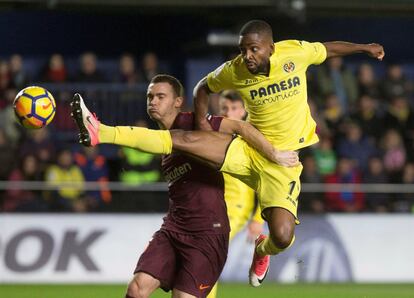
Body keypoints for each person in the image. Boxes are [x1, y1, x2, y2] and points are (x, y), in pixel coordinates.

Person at [73, 19, 384, 287]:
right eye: (242, 49)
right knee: (182, 139)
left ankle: (262, 251)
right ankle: (102, 132)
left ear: (271, 47)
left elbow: (327, 49)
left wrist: (364, 48)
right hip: (249, 150)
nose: (247, 56)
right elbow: (201, 89)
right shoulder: (234, 71)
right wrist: (201, 130)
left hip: (283, 162)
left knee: (283, 235)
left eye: (253, 49)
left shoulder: (295, 53)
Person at [72, 74, 297, 298]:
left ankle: (100, 131)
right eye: (150, 96)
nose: (153, 101)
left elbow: (240, 127)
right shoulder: (161, 143)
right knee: (136, 288)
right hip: (173, 228)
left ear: (178, 102)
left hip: (208, 231)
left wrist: (273, 153)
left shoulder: (197, 124)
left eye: (161, 96)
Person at [207, 90, 264, 298]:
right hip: (213, 206)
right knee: (201, 255)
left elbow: (263, 180)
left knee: (207, 254)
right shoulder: (216, 134)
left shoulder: (251, 138)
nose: (228, 113)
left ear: (243, 111)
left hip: (235, 206)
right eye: (224, 108)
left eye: (233, 108)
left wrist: (258, 218)